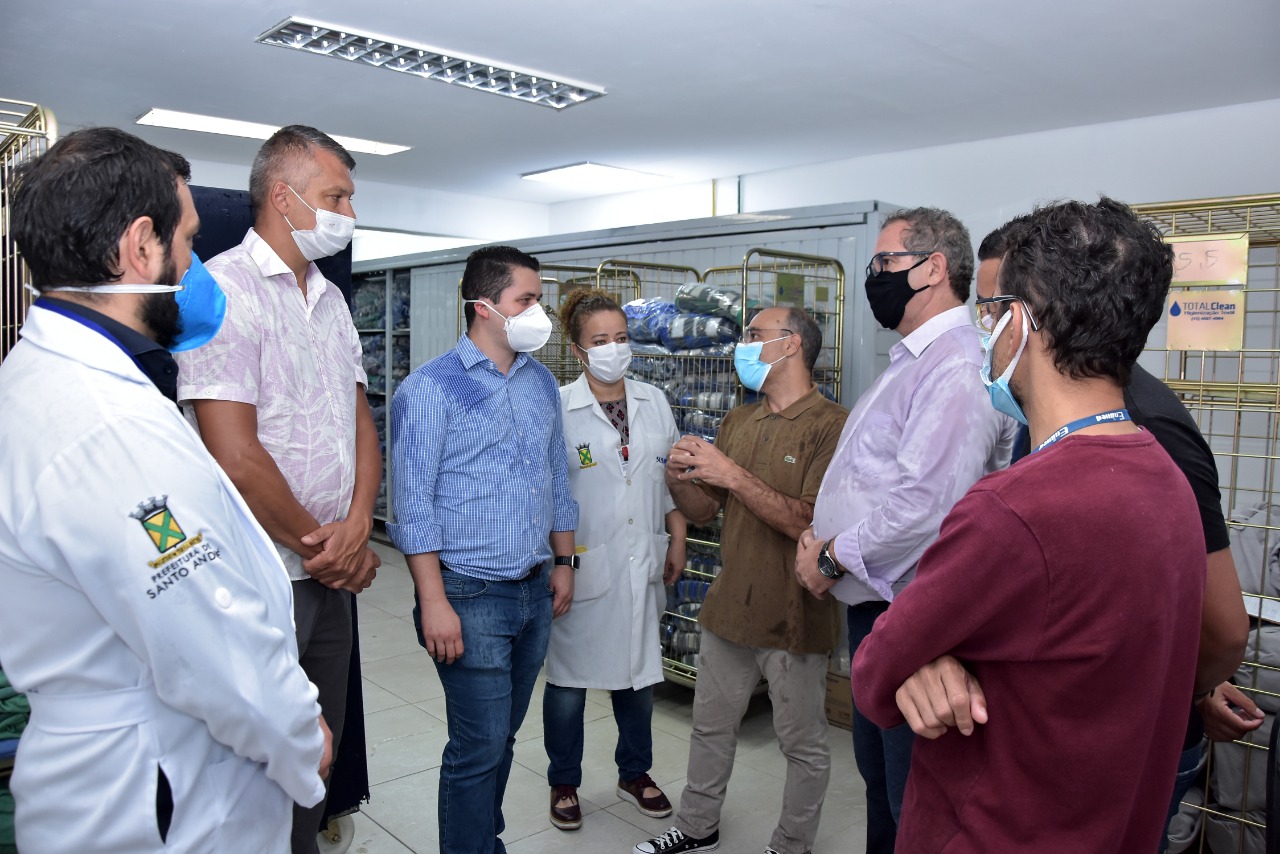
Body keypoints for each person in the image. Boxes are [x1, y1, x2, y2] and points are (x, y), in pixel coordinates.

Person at [0, 127, 327, 853]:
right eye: (188, 240)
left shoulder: (48, 380)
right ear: (139, 247)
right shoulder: (103, 425)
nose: (196, 266)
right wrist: (301, 735)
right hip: (159, 795)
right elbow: (210, 643)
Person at [852, 197, 1208, 851]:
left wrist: (919, 656)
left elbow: (875, 669)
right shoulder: (1165, 481)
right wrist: (931, 657)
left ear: (1017, 323)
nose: (981, 331)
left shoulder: (1013, 510)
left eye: (987, 312)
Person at [973, 222, 1257, 851]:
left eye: (994, 311)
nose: (987, 331)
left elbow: (1224, 626)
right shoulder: (1045, 416)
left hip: (1118, 743)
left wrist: (1188, 685)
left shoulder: (1146, 426)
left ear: (1034, 314)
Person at [175, 124, 380, 854]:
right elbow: (233, 453)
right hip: (262, 574)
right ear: (284, 197)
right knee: (257, 760)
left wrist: (359, 523)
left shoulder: (331, 300)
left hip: (333, 570)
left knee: (318, 753)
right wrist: (327, 550)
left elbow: (360, 421)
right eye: (337, 197)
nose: (349, 213)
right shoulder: (221, 290)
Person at [793, 206, 1015, 853]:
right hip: (881, 608)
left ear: (933, 268)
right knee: (881, 782)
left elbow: (927, 506)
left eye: (886, 262)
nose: (875, 277)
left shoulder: (956, 365)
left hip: (919, 620)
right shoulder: (916, 359)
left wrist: (830, 558)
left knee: (910, 796)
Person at [635, 306, 848, 854]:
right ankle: (697, 826)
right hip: (730, 608)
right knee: (710, 727)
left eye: (755, 335)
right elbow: (705, 510)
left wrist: (731, 474)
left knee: (802, 745)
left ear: (791, 344)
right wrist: (677, 479)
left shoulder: (834, 425)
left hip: (795, 615)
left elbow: (811, 523)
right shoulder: (738, 421)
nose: (743, 344)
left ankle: (791, 844)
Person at [388, 245, 578, 854]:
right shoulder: (431, 389)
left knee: (503, 738)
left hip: (532, 588)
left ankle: (484, 842)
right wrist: (432, 601)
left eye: (538, 299)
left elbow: (556, 478)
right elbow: (413, 505)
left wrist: (564, 561)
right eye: (526, 300)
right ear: (483, 306)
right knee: (478, 745)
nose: (538, 313)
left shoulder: (540, 382)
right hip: (468, 593)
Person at [543, 289, 687, 831]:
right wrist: (558, 561)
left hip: (642, 556)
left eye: (621, 338)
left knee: (638, 675)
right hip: (581, 562)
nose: (613, 349)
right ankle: (564, 780)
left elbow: (670, 478)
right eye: (600, 340)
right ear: (578, 350)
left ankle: (635, 772)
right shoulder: (559, 406)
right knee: (568, 681)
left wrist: (677, 536)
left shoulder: (654, 401)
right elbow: (549, 491)